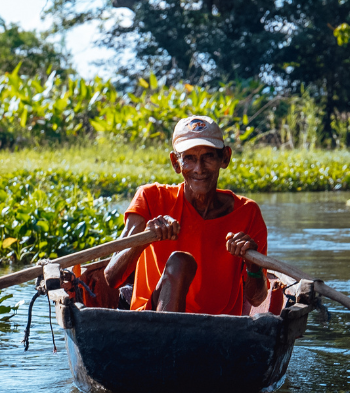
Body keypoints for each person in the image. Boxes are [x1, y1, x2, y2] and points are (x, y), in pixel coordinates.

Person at [102, 115, 270, 315]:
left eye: (208, 156)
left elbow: (257, 298)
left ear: (224, 158)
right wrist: (145, 237)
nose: (199, 169)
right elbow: (112, 277)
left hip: (221, 329)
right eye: (189, 158)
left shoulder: (247, 212)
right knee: (180, 263)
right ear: (176, 163)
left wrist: (252, 264)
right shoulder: (150, 198)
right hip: (151, 321)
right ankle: (170, 342)